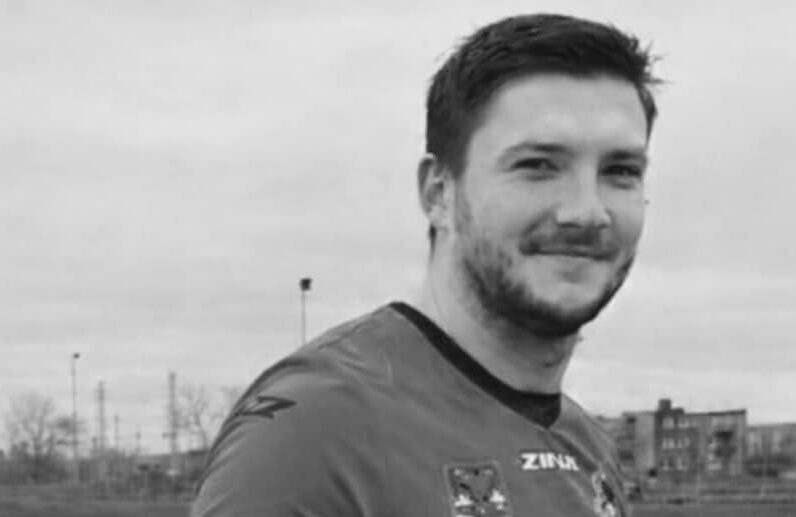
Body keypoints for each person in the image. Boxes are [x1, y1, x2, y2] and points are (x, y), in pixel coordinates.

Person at [192, 13, 660, 517]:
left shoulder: (589, 448)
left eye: (620, 171)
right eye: (538, 165)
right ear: (438, 192)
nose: (586, 212)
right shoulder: (317, 432)